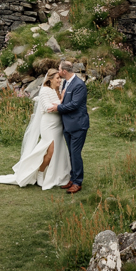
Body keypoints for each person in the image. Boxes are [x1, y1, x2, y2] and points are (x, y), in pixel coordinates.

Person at [46, 60, 89, 194]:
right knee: (71, 153)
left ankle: (77, 182)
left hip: (78, 124)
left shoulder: (79, 85)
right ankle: (73, 177)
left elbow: (74, 105)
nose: (58, 71)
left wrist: (58, 107)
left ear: (64, 71)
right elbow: (66, 100)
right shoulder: (66, 82)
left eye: (59, 69)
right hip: (68, 125)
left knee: (75, 153)